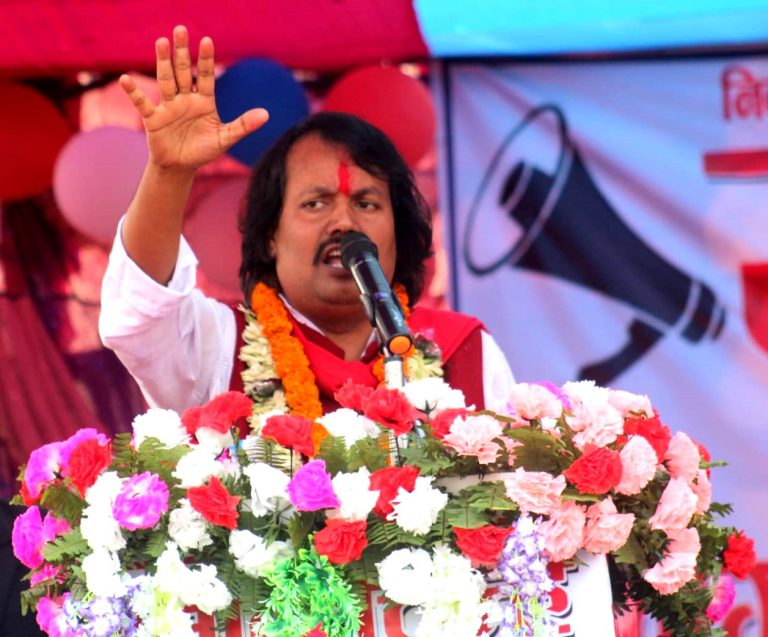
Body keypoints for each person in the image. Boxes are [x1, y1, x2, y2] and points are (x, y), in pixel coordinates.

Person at [98, 25, 515, 419]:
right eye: (315, 204)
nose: (344, 222)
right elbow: (141, 315)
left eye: (366, 204)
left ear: (398, 233)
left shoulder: (463, 352)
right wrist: (169, 173)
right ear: (271, 235)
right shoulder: (219, 345)